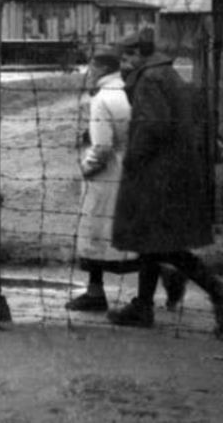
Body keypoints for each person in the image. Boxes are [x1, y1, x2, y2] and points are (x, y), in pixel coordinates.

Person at [108, 29, 223, 340]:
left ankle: (220, 292)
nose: (124, 64)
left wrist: (133, 159)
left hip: (157, 175)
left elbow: (153, 125)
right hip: (173, 171)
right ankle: (143, 305)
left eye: (126, 57)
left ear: (139, 53)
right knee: (151, 241)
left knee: (159, 241)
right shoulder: (165, 73)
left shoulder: (150, 78)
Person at [65, 44, 139, 312]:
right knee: (122, 234)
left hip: (107, 175)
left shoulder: (102, 98)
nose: (89, 71)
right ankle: (161, 271)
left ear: (102, 68)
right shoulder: (124, 92)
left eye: (92, 66)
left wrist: (85, 168)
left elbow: (102, 147)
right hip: (126, 168)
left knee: (95, 233)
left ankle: (95, 293)